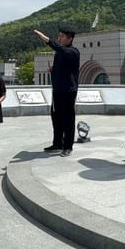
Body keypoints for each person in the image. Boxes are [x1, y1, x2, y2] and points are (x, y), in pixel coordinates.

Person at [34, 28, 80, 157]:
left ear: (70, 38)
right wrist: (53, 69)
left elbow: (62, 50)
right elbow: (62, 65)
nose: (59, 38)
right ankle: (57, 143)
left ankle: (68, 146)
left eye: (62, 36)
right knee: (56, 117)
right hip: (57, 90)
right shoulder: (59, 54)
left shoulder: (73, 51)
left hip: (68, 90)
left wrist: (46, 38)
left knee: (68, 119)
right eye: (58, 36)